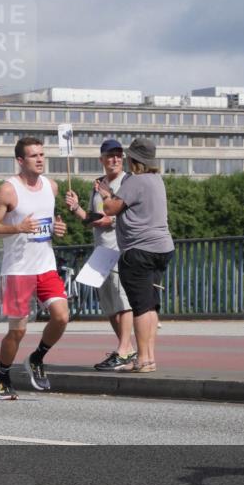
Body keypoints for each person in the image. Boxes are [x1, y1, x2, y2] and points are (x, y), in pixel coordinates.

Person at [0, 136, 69, 399]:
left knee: (61, 316)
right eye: (34, 156)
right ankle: (2, 376)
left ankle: (37, 358)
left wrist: (58, 228)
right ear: (20, 160)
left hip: (45, 265)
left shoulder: (51, 186)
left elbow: (49, 224)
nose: (40, 159)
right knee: (18, 330)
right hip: (17, 270)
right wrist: (16, 228)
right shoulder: (8, 190)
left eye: (42, 154)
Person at [99, 138, 175, 373]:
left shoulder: (136, 181)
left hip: (139, 250)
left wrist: (104, 194)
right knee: (151, 306)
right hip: (163, 248)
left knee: (140, 307)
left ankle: (142, 359)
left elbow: (110, 209)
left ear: (135, 160)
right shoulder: (157, 180)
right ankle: (149, 357)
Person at [65, 138, 136, 370]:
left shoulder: (128, 182)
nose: (114, 159)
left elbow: (115, 217)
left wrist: (106, 219)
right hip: (101, 252)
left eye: (118, 155)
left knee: (123, 300)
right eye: (109, 155)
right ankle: (127, 350)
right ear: (102, 159)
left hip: (121, 249)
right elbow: (91, 219)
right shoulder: (97, 184)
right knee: (110, 306)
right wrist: (76, 208)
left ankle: (124, 351)